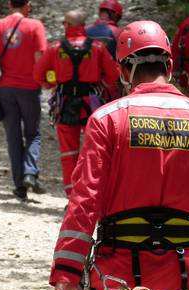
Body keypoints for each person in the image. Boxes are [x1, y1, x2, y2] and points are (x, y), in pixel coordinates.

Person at [49, 20, 189, 290]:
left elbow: (85, 200)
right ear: (169, 67)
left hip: (119, 283)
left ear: (122, 70)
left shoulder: (107, 120)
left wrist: (67, 270)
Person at [33, 10, 119, 197]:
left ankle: (72, 196)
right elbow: (113, 75)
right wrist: (100, 82)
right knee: (94, 149)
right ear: (83, 26)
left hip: (64, 103)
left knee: (68, 152)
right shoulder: (98, 47)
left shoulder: (55, 48)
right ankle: (92, 193)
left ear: (68, 25)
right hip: (92, 104)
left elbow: (38, 75)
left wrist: (53, 83)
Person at [0, 0, 47, 200]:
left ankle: (20, 186)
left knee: (13, 136)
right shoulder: (35, 26)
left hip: (4, 89)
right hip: (29, 88)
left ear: (9, 4)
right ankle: (29, 173)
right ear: (27, 5)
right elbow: (39, 60)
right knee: (33, 134)